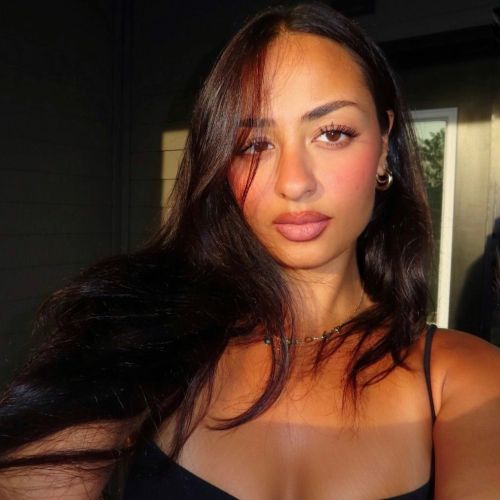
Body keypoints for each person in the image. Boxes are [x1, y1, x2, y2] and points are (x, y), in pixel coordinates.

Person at [0, 3, 499, 499]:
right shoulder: (152, 340)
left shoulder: (465, 380)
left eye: (332, 133)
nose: (295, 183)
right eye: (255, 144)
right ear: (223, 165)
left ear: (384, 144)